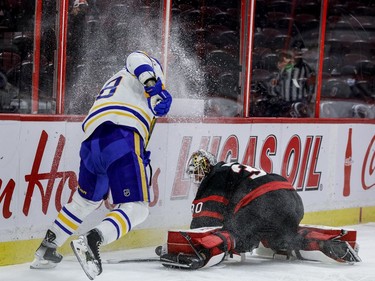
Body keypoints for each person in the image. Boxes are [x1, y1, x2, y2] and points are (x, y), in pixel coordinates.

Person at [30, 51, 172, 280]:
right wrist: (153, 82)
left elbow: (150, 103)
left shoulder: (119, 83)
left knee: (85, 200)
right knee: (137, 208)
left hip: (92, 143)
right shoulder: (147, 71)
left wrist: (158, 104)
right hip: (122, 137)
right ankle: (92, 239)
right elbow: (135, 57)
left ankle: (48, 247)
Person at [157, 149, 361, 269]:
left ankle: (199, 251)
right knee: (280, 239)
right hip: (290, 197)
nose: (197, 176)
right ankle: (327, 242)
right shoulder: (233, 169)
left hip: (263, 202)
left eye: (198, 172)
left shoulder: (215, 176)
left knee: (235, 235)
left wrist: (191, 241)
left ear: (207, 168)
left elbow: (206, 220)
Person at [270, 40, 315, 117]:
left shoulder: (307, 68)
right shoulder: (285, 68)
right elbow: (276, 83)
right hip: (284, 104)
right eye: (294, 50)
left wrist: (308, 102)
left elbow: (311, 87)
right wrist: (274, 92)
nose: (297, 52)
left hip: (299, 104)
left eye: (299, 50)